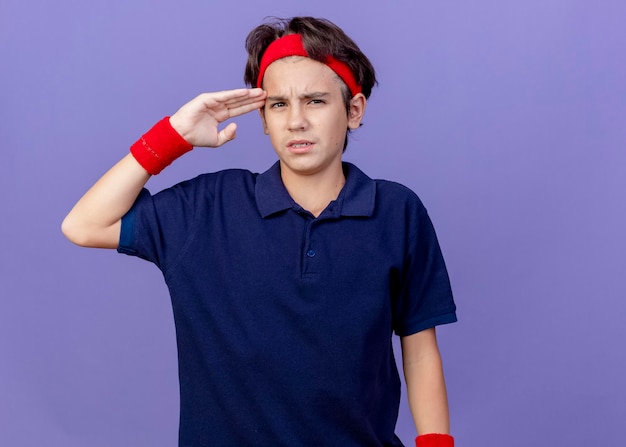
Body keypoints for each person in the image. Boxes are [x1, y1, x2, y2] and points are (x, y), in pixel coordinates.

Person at [62, 16, 457, 447]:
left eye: (316, 101)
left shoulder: (397, 212)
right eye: (279, 105)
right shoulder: (208, 208)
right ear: (264, 119)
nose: (296, 121)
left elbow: (419, 350)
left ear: (354, 111)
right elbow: (84, 224)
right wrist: (174, 134)